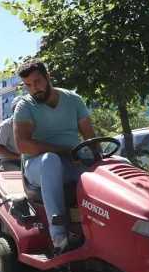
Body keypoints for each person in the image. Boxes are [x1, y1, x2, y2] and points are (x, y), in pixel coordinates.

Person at [13, 59, 95, 254]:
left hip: (72, 162)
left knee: (117, 164)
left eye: (38, 81)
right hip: (37, 166)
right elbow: (23, 145)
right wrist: (64, 151)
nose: (34, 88)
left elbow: (90, 137)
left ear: (48, 77)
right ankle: (59, 236)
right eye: (28, 85)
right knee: (51, 160)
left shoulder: (73, 100)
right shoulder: (25, 106)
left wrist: (97, 158)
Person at [0, 96, 22, 171]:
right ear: (13, 110)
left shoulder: (31, 124)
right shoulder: (6, 125)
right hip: (9, 162)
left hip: (26, 161)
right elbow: (0, 149)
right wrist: (18, 157)